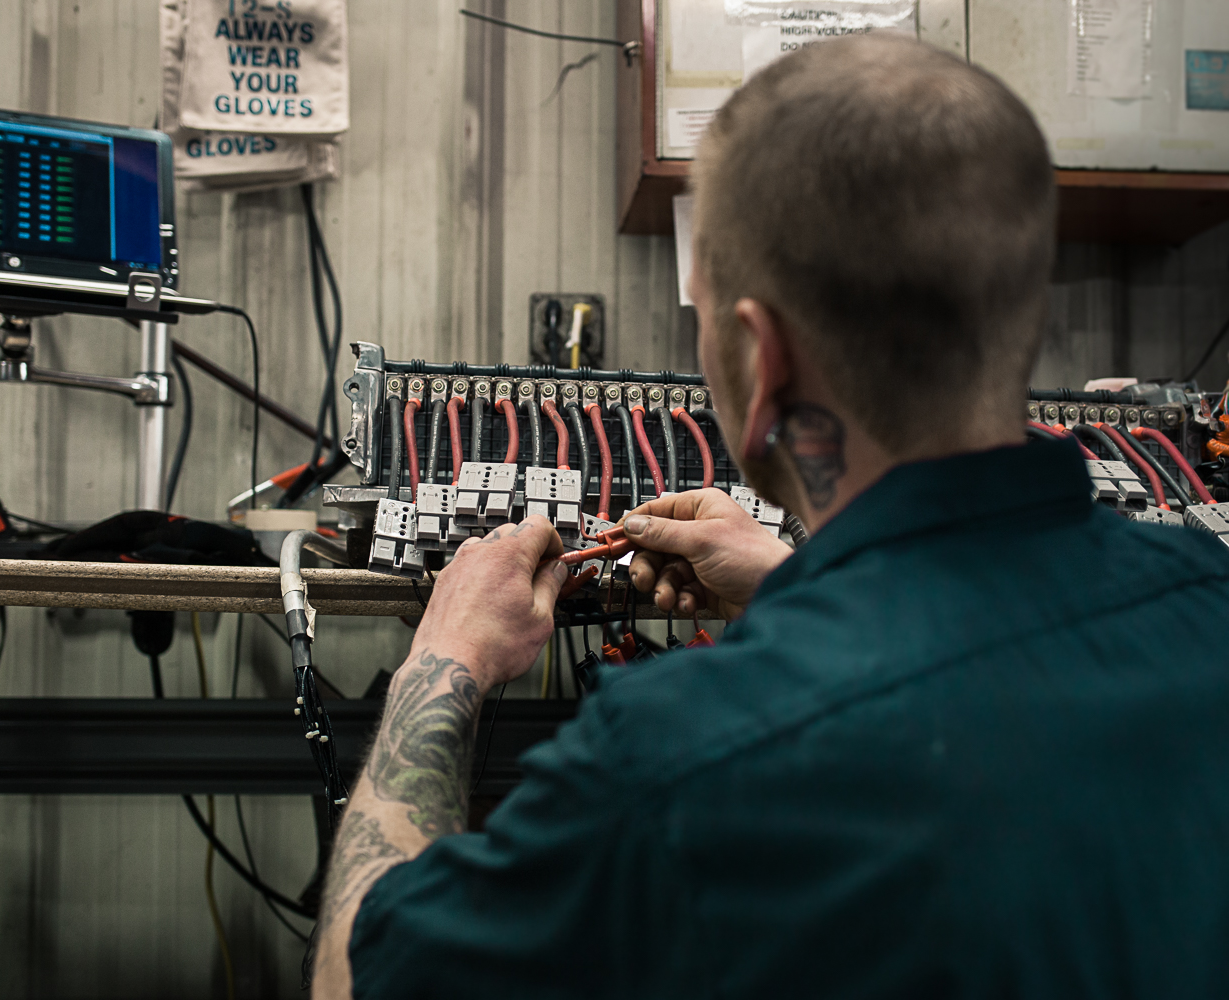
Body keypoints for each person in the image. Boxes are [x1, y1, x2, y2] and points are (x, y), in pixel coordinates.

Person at [311, 34, 1229, 999]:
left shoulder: (678, 758)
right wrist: (795, 578)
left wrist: (442, 659)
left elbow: (355, 981)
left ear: (767, 363)